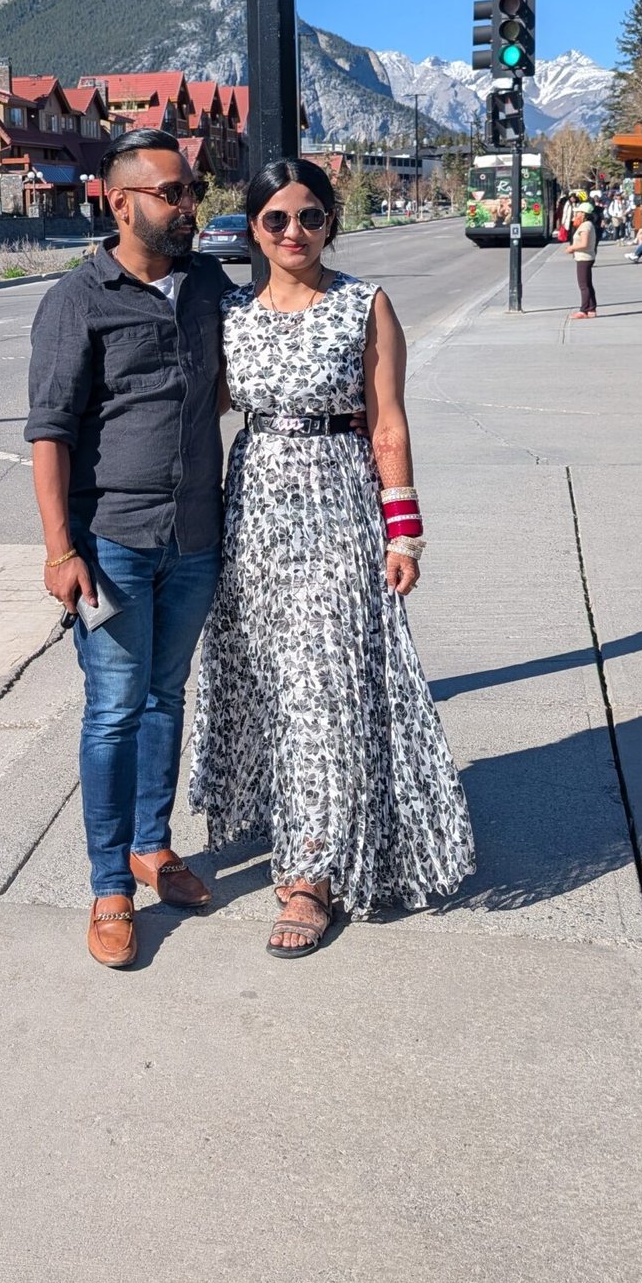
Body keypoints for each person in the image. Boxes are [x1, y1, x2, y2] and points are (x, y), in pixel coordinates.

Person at [190, 158, 475, 957]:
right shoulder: (231, 313)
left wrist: (404, 530)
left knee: (324, 684)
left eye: (310, 217)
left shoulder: (363, 304)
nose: (294, 232)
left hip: (338, 510)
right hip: (253, 514)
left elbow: (387, 423)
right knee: (270, 681)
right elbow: (201, 407)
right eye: (276, 219)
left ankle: (311, 874)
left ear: (331, 223)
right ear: (253, 229)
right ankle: (294, 820)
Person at [25, 128, 230, 970]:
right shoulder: (78, 300)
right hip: (112, 543)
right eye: (171, 193)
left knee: (166, 696)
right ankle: (111, 887)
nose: (188, 207)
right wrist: (59, 551)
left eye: (191, 192)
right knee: (113, 709)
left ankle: (152, 844)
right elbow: (49, 432)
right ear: (120, 203)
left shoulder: (208, 283)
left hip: (197, 536)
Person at [570, 197, 598, 317]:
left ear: (583, 214)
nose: (576, 215)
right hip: (587, 256)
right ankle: (591, 308)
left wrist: (572, 248)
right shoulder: (588, 225)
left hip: (584, 257)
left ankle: (584, 310)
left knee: (583, 285)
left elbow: (584, 243)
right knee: (588, 283)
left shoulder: (585, 226)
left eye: (578, 213)